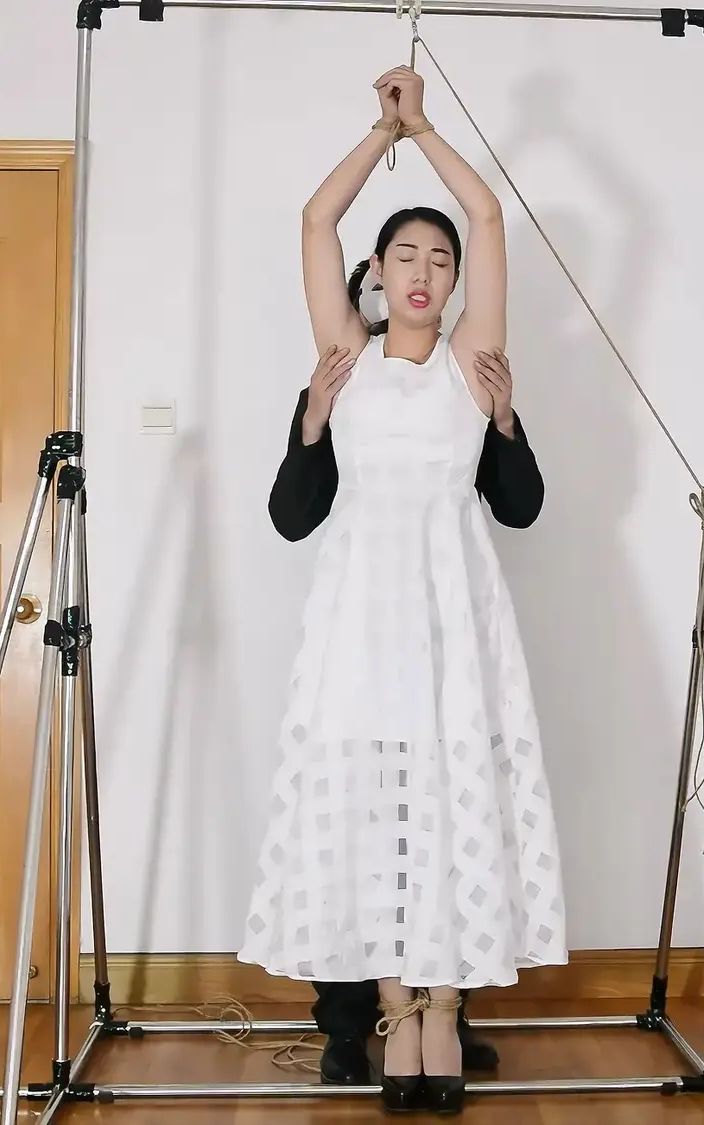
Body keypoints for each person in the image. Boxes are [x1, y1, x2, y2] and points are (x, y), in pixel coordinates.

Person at [237, 63, 570, 1115]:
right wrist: (377, 133)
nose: (423, 273)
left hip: (453, 607)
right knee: (376, 804)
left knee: (446, 799)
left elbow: (487, 210)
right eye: (404, 256)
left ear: (456, 279)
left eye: (440, 259)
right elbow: (314, 218)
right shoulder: (343, 357)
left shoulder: (476, 360)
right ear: (376, 272)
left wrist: (424, 128)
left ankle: (442, 1008)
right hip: (358, 611)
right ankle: (393, 1007)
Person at [267, 344, 541, 1088]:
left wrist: (504, 421)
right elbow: (291, 517)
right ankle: (350, 1020)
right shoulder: (345, 382)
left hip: (443, 642)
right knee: (365, 816)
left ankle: (444, 1009)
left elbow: (520, 507)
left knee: (443, 812)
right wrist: (313, 423)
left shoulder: (461, 379)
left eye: (434, 277)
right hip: (363, 641)